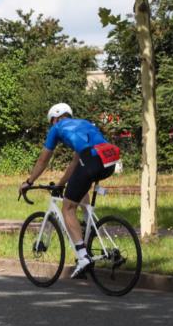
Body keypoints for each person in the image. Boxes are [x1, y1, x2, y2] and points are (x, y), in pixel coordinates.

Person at [19, 103, 121, 278]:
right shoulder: (85, 124)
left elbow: (43, 160)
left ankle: (83, 257)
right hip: (110, 158)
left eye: (52, 122)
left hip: (92, 160)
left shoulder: (57, 128)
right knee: (82, 185)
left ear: (56, 118)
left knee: (67, 208)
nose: (53, 125)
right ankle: (89, 224)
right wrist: (60, 184)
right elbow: (75, 164)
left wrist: (29, 182)